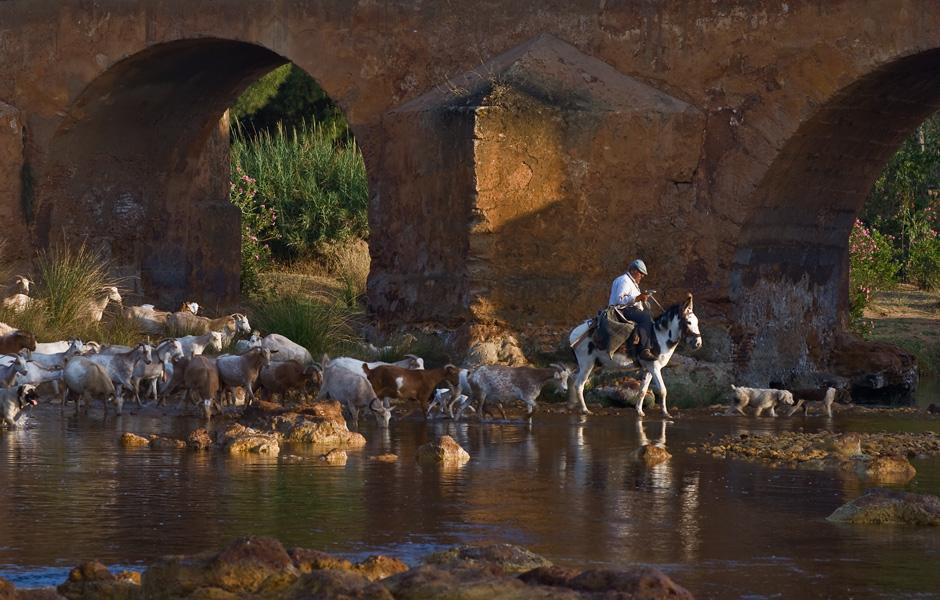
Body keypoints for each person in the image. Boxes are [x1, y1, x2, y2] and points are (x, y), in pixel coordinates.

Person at [609, 259, 657, 361]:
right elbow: (620, 300)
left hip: (628, 310)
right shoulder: (624, 280)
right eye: (641, 273)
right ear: (633, 270)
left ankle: (644, 343)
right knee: (645, 317)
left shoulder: (632, 283)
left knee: (649, 316)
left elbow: (634, 299)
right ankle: (644, 350)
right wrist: (638, 298)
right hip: (620, 311)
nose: (642, 276)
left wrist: (642, 298)